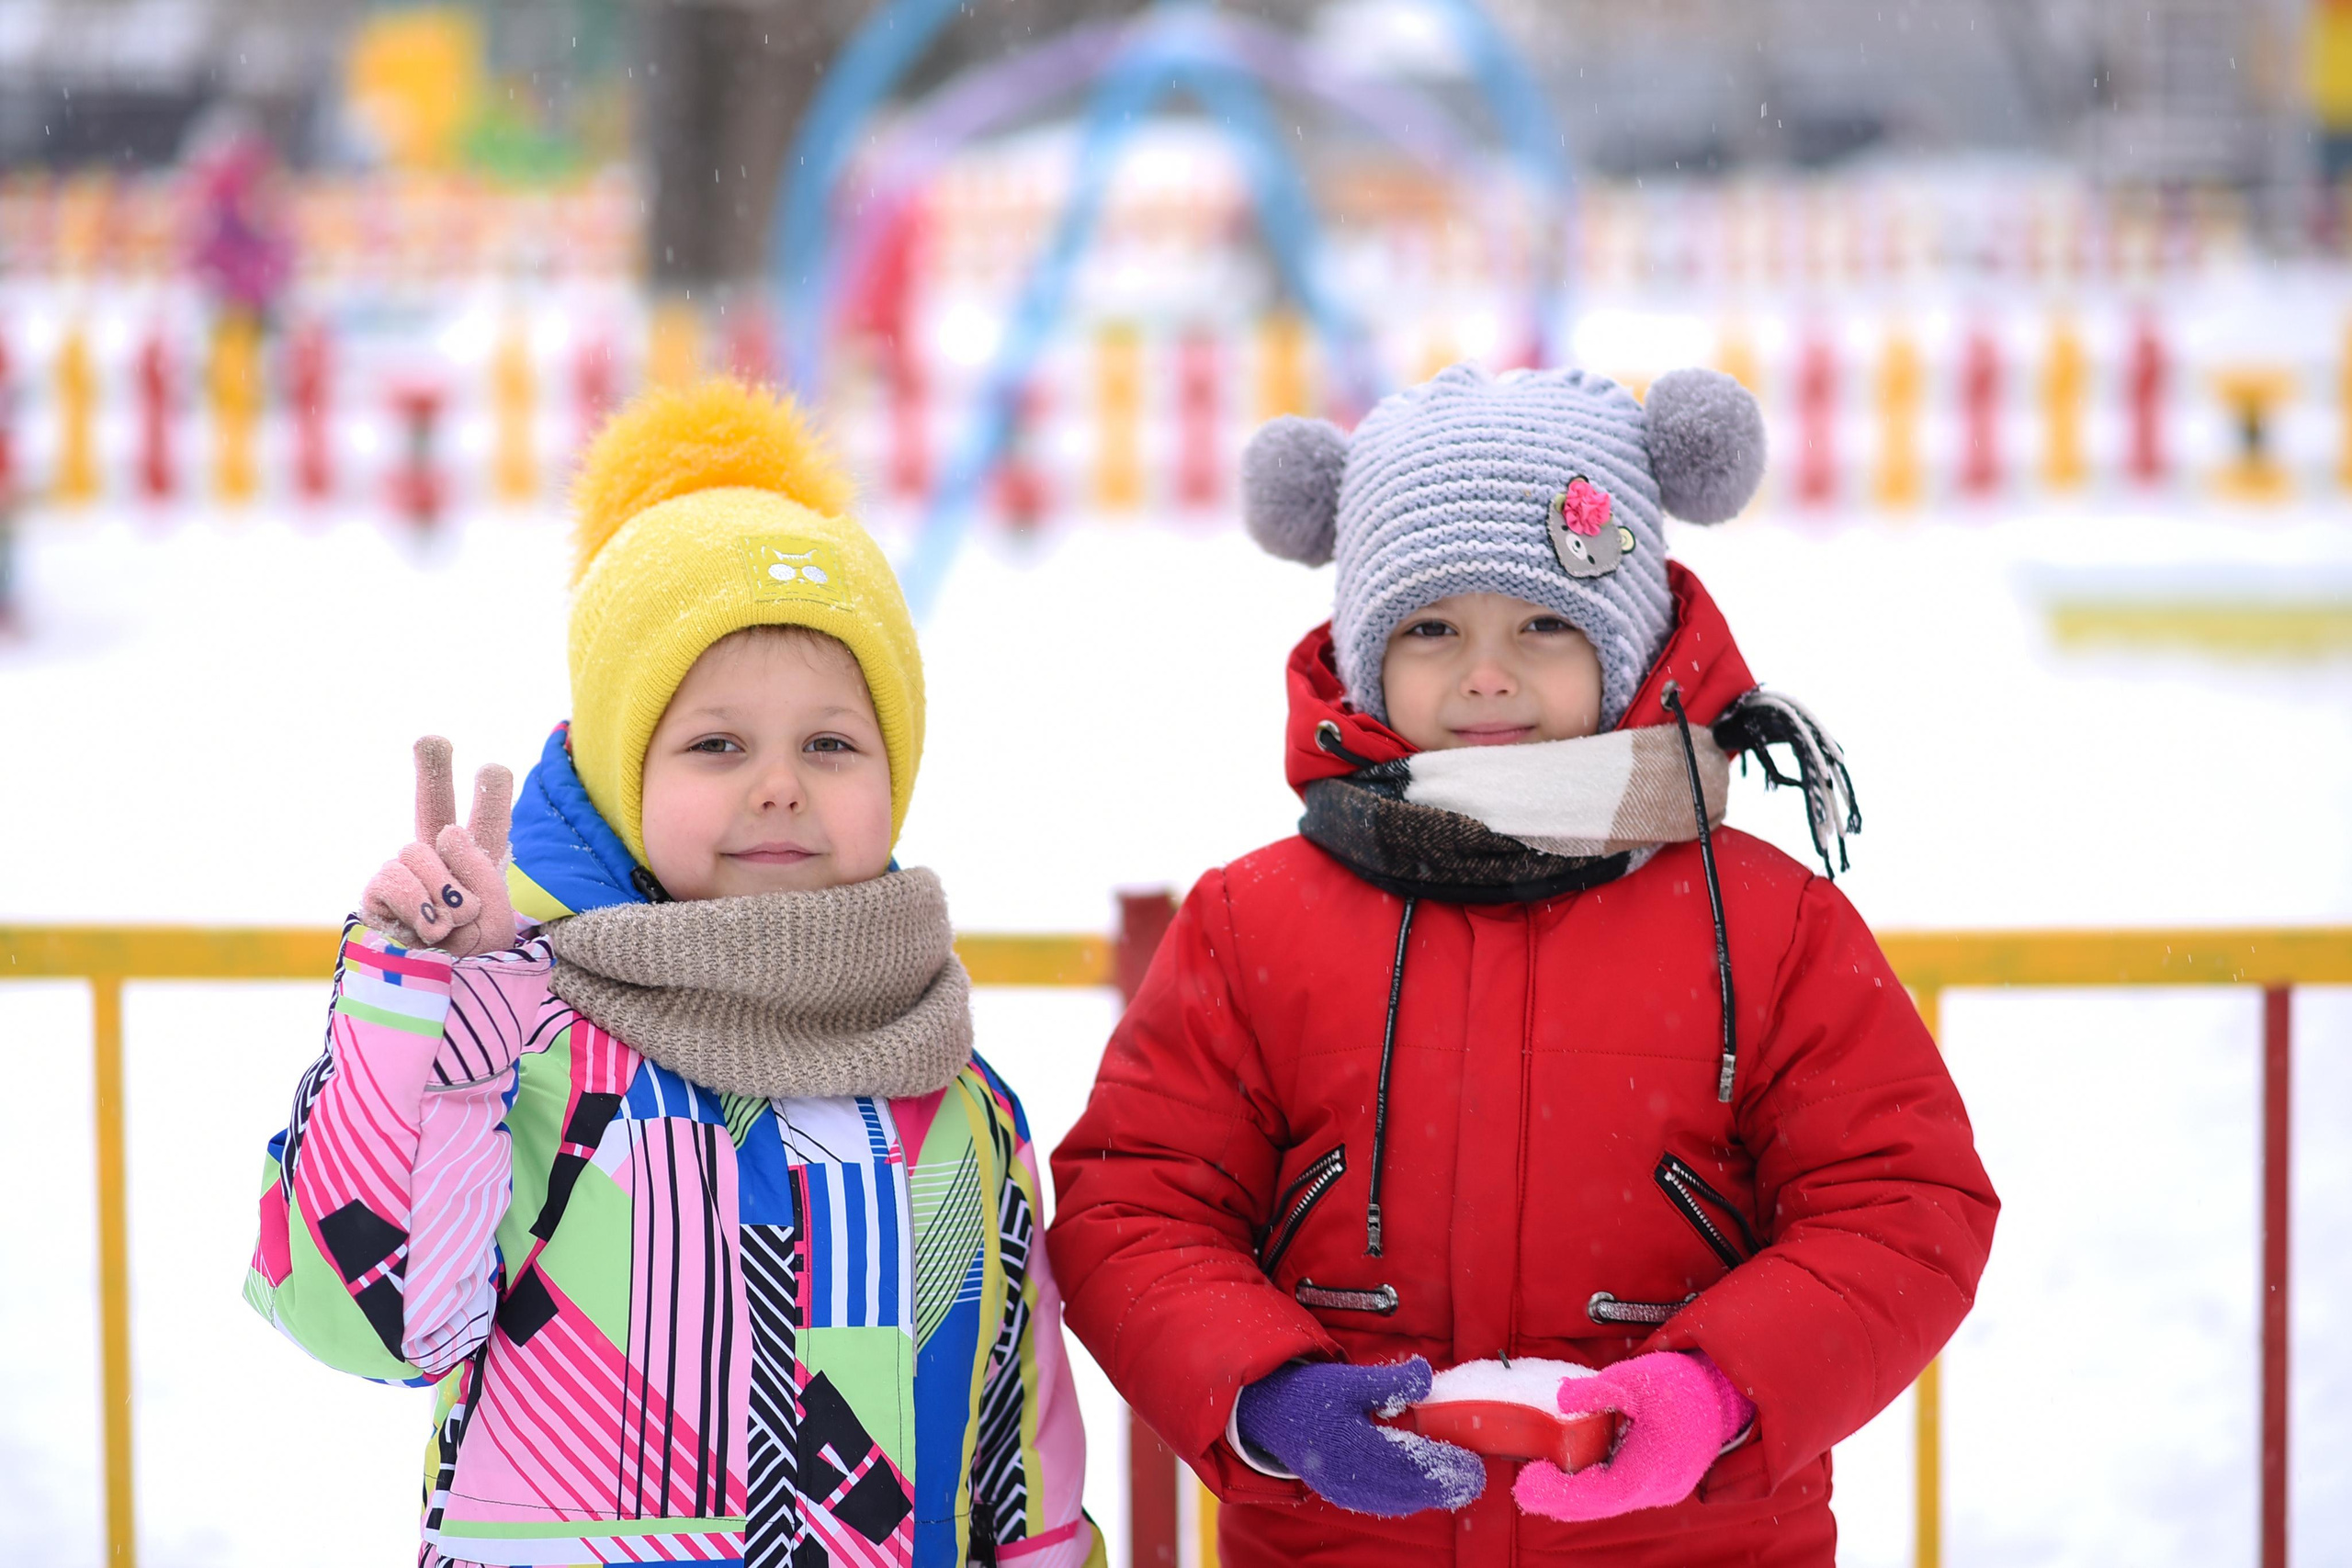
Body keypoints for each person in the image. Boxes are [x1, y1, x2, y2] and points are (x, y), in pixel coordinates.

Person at [1046, 363, 1998, 1566]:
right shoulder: (1255, 923)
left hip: (1690, 1543)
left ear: (1633, 639)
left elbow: (1902, 1209)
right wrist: (1268, 1394)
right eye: (1432, 628)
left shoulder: (1765, 924)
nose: (1486, 673)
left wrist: (1714, 1392)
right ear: (1361, 653)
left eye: (1545, 624)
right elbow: (1139, 1203)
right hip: (1340, 1545)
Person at [244, 380, 1098, 1568]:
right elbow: (373, 1322)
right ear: (615, 773)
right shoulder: (530, 1052)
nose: (780, 785)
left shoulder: (954, 1100)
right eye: (716, 744)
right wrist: (423, 1023)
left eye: (833, 744)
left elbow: (1021, 1459)